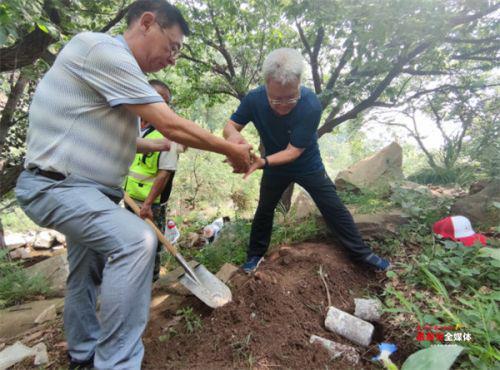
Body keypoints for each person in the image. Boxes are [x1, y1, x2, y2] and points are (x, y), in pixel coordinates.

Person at [15, 1, 251, 369]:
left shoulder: (117, 72)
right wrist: (229, 148)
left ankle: (82, 354)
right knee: (136, 241)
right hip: (59, 187)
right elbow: (169, 122)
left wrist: (157, 144)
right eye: (172, 46)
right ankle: (117, 362)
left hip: (87, 193)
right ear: (146, 23)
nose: (173, 59)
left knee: (86, 272)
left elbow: (112, 131)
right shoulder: (102, 50)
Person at [223, 48, 390, 274]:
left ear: (300, 83)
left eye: (291, 98)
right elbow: (230, 126)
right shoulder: (254, 99)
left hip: (306, 163)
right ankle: (254, 257)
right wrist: (235, 140)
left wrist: (262, 162)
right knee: (265, 209)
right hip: (274, 166)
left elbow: (293, 152)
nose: (283, 105)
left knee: (331, 204)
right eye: (276, 99)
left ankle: (362, 254)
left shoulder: (310, 104)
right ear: (266, 85)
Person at [124, 79, 184, 282]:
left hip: (151, 204)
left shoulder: (168, 134)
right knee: (129, 241)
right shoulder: (130, 124)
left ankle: (151, 284)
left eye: (166, 103)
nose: (161, 106)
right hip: (128, 197)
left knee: (151, 244)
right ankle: (131, 279)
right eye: (159, 100)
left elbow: (164, 173)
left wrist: (148, 203)